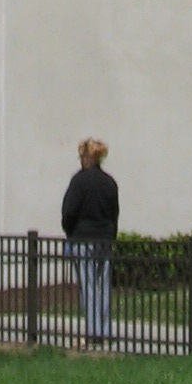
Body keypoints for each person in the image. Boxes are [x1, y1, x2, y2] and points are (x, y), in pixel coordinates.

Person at [61, 137, 118, 344]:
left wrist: (70, 231)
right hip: (105, 239)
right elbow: (114, 214)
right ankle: (105, 330)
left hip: (83, 238)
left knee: (88, 286)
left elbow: (68, 212)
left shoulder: (79, 181)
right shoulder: (109, 182)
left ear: (86, 158)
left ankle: (93, 332)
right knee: (103, 286)